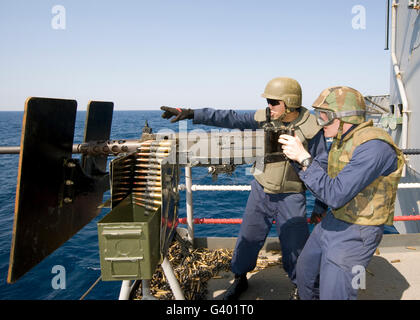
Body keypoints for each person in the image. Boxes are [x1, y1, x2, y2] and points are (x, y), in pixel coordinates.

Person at [160, 77, 328, 300]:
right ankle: (240, 279)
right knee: (247, 239)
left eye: (274, 102)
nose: (269, 106)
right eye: (268, 101)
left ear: (290, 103)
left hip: (291, 195)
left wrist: (320, 205)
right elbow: (229, 117)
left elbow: (322, 166)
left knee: (296, 247)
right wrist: (191, 113)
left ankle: (301, 287)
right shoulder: (264, 118)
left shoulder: (311, 128)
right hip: (260, 192)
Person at [278, 86, 405, 300]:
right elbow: (327, 179)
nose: (319, 121)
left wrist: (304, 159)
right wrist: (297, 159)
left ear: (345, 118)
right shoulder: (343, 140)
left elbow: (335, 194)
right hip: (335, 219)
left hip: (359, 231)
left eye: (324, 116)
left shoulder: (374, 147)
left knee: (337, 293)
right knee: (305, 273)